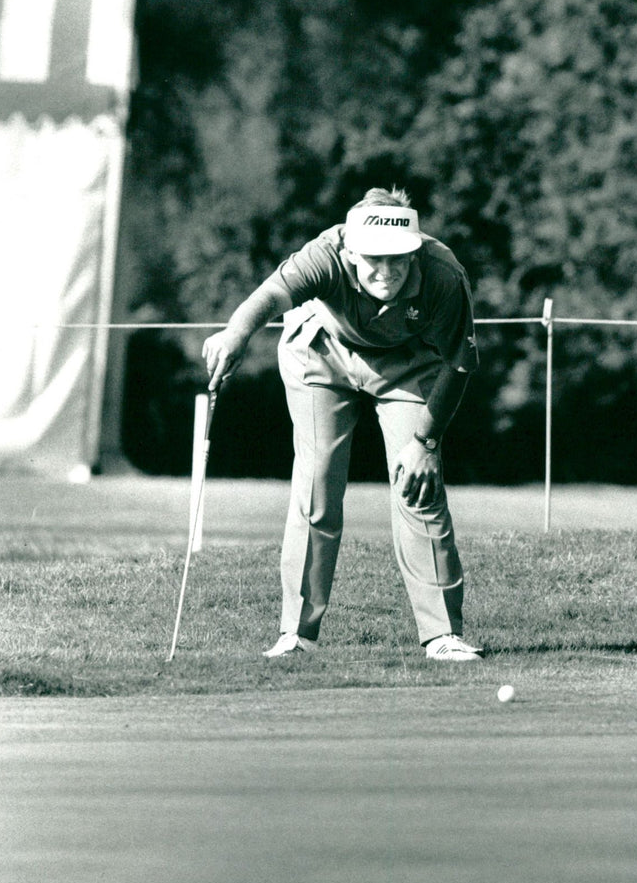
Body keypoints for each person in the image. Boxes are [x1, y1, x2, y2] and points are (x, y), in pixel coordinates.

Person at [202, 186, 483, 661]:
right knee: (316, 484)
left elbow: (458, 364)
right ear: (351, 252)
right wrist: (236, 333)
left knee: (419, 485)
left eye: (399, 260)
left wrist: (425, 442)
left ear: (415, 251)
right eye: (374, 259)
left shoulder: (442, 274)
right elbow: (272, 292)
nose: (387, 272)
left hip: (407, 365)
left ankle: (442, 635)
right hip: (320, 353)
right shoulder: (325, 253)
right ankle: (297, 634)